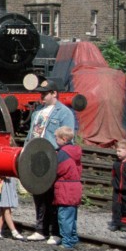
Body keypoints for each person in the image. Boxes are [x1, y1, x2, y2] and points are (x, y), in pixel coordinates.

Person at [24, 80, 75, 242]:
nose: (42, 97)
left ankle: (55, 232)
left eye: (45, 94)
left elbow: (68, 138)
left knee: (53, 196)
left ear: (54, 93)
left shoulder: (64, 112)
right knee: (38, 195)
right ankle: (41, 229)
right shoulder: (38, 112)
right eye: (41, 93)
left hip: (52, 158)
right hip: (36, 158)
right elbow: (31, 133)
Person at [52, 126, 83, 249]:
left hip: (65, 188)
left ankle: (67, 242)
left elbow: (59, 170)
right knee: (72, 216)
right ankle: (73, 238)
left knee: (64, 216)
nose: (55, 140)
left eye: (56, 138)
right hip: (75, 186)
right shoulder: (75, 151)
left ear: (64, 139)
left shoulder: (63, 153)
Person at [109, 141, 126, 232]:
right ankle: (116, 222)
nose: (117, 153)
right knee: (116, 206)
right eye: (117, 151)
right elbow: (113, 174)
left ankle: (124, 223)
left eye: (119, 151)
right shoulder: (116, 163)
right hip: (117, 189)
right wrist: (113, 182)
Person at [0, 174, 24, 240]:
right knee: (7, 210)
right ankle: (14, 232)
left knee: (3, 210)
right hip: (3, 184)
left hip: (7, 183)